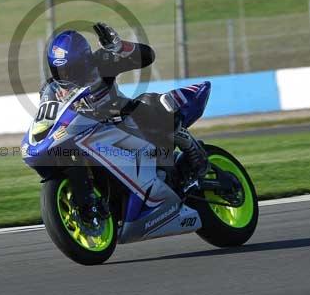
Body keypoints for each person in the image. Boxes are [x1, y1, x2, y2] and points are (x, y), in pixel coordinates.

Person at [43, 23, 219, 225]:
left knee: (152, 103)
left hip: (124, 120)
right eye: (59, 70)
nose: (65, 75)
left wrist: (120, 48)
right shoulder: (50, 88)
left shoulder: (100, 61)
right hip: (88, 135)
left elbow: (147, 56)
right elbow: (45, 117)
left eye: (69, 68)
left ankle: (192, 151)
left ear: (83, 60)